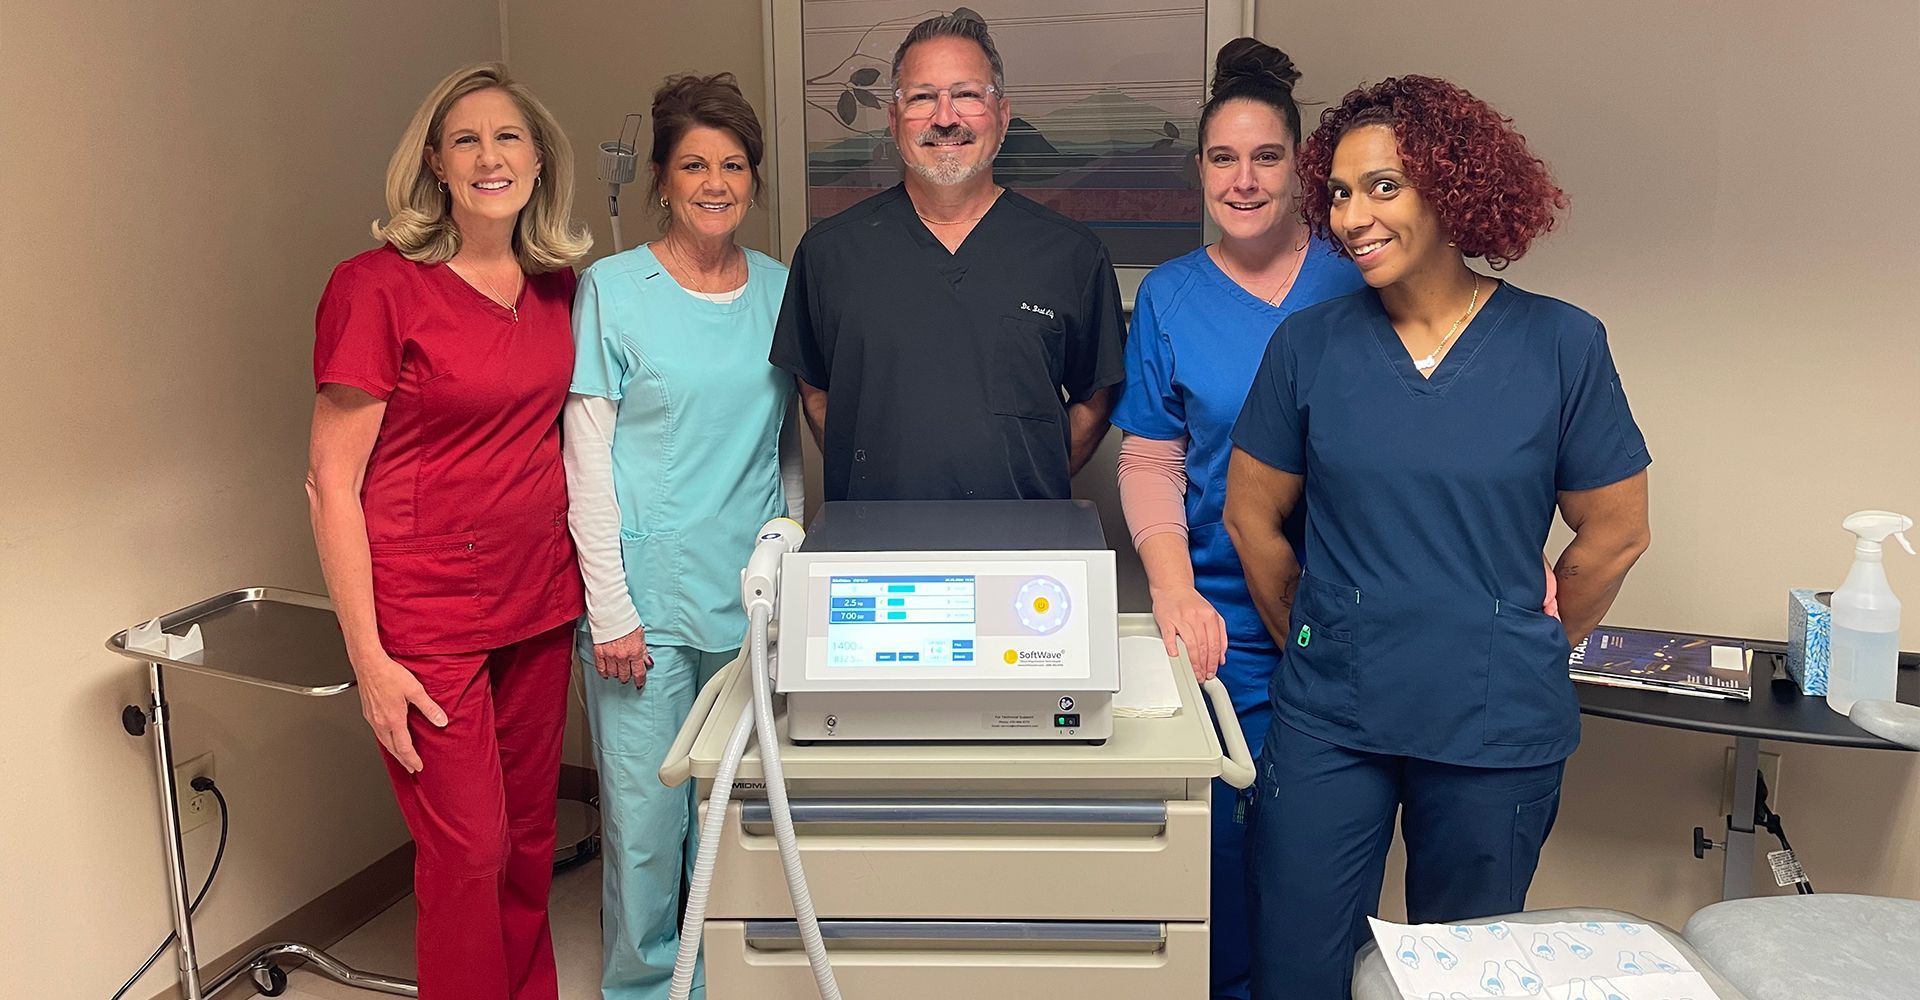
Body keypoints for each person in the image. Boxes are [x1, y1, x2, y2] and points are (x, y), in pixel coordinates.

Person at [1222, 75, 1652, 1000]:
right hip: (1332, 718)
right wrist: (1314, 621)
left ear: (1453, 189)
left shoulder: (1561, 346)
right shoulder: (1308, 347)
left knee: (1464, 976)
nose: (1353, 216)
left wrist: (1521, 641)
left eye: (1384, 186)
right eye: (1338, 192)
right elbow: (1251, 517)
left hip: (1492, 730)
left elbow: (1614, 534)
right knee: (1296, 965)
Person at [306, 63, 591, 1000]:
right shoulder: (376, 288)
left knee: (530, 843)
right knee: (469, 850)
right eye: (465, 140)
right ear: (434, 164)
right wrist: (369, 659)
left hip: (539, 602)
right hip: (426, 619)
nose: (489, 157)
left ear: (540, 160)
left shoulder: (558, 287)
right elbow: (327, 483)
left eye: (508, 137)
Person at [1110, 38, 1365, 1000]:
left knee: (1315, 871)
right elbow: (1150, 455)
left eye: (1266, 158)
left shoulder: (1359, 277)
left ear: (1303, 170)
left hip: (1346, 621)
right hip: (1221, 624)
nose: (1244, 180)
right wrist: (1174, 591)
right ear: (1199, 172)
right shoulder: (1171, 296)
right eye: (1223, 159)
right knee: (1215, 859)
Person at [562, 72, 802, 1000]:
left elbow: (783, 453)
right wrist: (612, 607)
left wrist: (789, 551)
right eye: (694, 164)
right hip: (644, 611)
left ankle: (725, 981)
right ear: (660, 178)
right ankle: (642, 988)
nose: (715, 182)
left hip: (747, 603)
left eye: (733, 165)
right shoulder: (612, 291)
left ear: (753, 179)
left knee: (737, 815)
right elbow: (587, 461)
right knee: (648, 820)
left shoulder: (782, 290)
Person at [770, 12, 1125, 501]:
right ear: (894, 122)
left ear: (1001, 116)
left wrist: (1028, 481)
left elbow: (1096, 398)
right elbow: (815, 391)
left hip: (1021, 551)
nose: (945, 117)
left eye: (966, 94)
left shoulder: (1071, 255)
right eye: (921, 97)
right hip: (874, 556)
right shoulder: (829, 253)